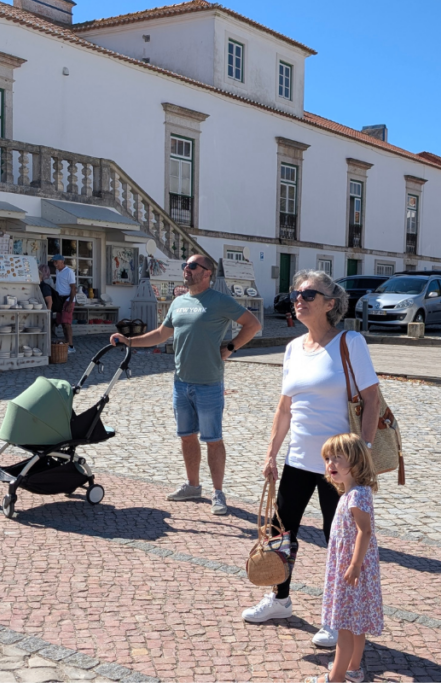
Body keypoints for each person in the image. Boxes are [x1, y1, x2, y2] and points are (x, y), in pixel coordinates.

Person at [242, 269, 380, 650]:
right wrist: (271, 453)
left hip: (339, 464)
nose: (298, 300)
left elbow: (372, 400)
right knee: (279, 533)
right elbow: (284, 408)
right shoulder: (292, 348)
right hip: (298, 459)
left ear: (330, 303)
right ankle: (280, 599)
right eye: (296, 294)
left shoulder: (350, 342)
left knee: (339, 540)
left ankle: (337, 618)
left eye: (308, 294)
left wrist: (362, 453)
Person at [110, 254, 261, 515]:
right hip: (181, 383)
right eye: (185, 266)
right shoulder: (179, 302)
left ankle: (218, 493)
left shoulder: (220, 300)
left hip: (209, 383)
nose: (186, 270)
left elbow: (253, 324)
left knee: (213, 439)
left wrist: (231, 347)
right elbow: (161, 334)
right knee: (187, 437)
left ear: (207, 273)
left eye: (192, 266)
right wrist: (129, 341)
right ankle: (193, 486)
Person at [307, 433, 383, 683]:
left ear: (356, 462)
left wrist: (354, 565)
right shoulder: (352, 494)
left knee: (344, 627)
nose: (330, 464)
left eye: (337, 458)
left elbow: (365, 530)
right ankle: (353, 668)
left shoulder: (357, 496)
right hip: (352, 568)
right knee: (356, 624)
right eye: (327, 458)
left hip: (352, 570)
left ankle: (336, 677)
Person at [51, 255, 77, 353]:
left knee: (67, 323)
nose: (55, 264)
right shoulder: (58, 271)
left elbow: (73, 288)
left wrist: (70, 303)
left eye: (56, 262)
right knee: (62, 322)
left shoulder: (69, 272)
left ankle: (71, 346)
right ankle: (66, 344)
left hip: (68, 299)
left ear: (62, 261)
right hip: (59, 298)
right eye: (54, 262)